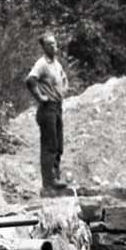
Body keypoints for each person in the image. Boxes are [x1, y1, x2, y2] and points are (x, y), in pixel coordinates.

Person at [25, 29, 75, 195]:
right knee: (49, 145)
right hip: (47, 109)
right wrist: (41, 97)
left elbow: (64, 77)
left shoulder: (56, 63)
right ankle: (48, 182)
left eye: (54, 43)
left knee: (58, 144)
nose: (54, 47)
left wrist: (64, 90)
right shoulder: (42, 64)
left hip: (57, 106)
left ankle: (56, 177)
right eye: (50, 44)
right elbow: (30, 80)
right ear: (44, 47)